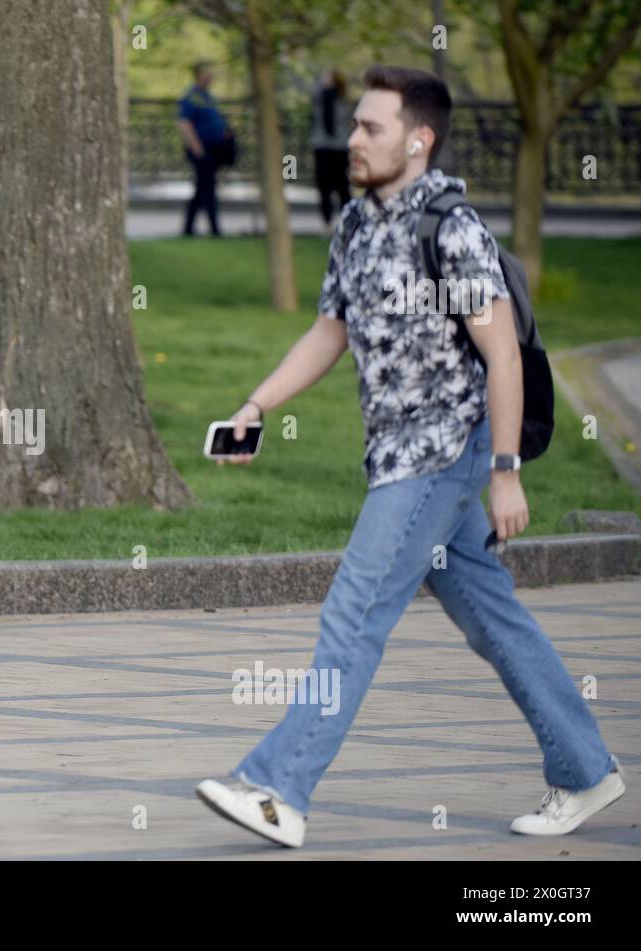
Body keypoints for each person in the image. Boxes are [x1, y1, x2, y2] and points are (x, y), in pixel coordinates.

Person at [196, 65, 624, 848]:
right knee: (491, 614)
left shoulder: (452, 230)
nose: (353, 139)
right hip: (392, 452)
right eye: (355, 125)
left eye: (371, 128)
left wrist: (504, 469)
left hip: (443, 452)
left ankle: (277, 787)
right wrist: (257, 405)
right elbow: (332, 331)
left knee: (354, 612)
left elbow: (504, 357)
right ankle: (586, 767)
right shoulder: (357, 225)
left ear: (418, 141)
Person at [177, 61, 227, 237]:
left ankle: (188, 229)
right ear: (198, 76)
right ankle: (214, 229)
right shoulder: (192, 97)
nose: (210, 77)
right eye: (207, 74)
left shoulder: (207, 97)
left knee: (202, 189)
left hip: (213, 148)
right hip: (201, 149)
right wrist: (197, 147)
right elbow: (184, 123)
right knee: (207, 188)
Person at [311, 69, 353, 231]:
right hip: (322, 146)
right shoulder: (320, 98)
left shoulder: (342, 100)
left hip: (339, 147)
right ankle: (327, 222)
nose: (324, 80)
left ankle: (347, 221)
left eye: (327, 77)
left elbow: (345, 121)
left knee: (342, 185)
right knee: (323, 185)